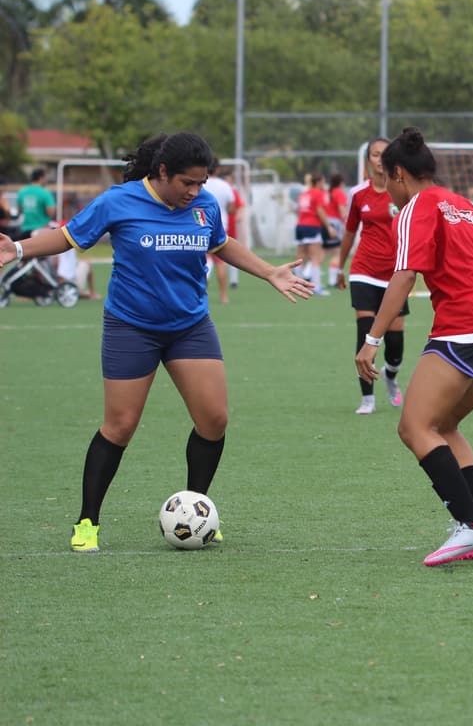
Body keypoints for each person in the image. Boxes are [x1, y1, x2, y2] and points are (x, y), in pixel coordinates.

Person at [0, 132, 314, 552]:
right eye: (187, 182)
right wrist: (17, 249)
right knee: (120, 426)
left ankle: (196, 509)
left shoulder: (203, 204)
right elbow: (69, 236)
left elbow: (222, 244)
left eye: (201, 182)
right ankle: (87, 522)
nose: (194, 191)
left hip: (190, 326)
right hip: (132, 327)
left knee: (214, 420)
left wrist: (269, 271)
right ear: (162, 172)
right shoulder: (119, 201)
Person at [355, 126, 473, 567]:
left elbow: (405, 277)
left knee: (413, 428)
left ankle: (471, 526)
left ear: (398, 175)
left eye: (387, 180)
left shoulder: (414, 208)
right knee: (443, 425)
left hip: (465, 331)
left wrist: (371, 339)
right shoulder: (464, 206)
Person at [333, 138, 407, 415]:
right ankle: (367, 398)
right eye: (375, 154)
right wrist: (339, 267)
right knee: (365, 334)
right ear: (368, 160)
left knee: (395, 341)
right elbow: (350, 232)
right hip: (363, 271)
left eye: (384, 154)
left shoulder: (402, 191)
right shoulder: (358, 193)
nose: (379, 159)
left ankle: (391, 374)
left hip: (396, 274)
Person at [203, 160, 239, 304]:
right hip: (220, 225)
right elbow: (232, 208)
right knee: (220, 261)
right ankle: (223, 295)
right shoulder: (225, 186)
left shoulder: (201, 184)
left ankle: (200, 291)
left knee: (200, 260)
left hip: (200, 224)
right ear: (217, 170)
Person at [295, 172, 331, 295]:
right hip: (312, 226)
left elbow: (298, 210)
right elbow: (320, 210)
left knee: (301, 258)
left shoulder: (304, 194)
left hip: (300, 226)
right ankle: (316, 288)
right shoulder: (318, 193)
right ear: (319, 182)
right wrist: (329, 227)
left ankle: (297, 286)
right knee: (316, 257)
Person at [322, 172, 348, 286]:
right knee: (337, 252)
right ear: (341, 183)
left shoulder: (327, 192)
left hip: (325, 222)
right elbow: (342, 210)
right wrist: (348, 222)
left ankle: (307, 272)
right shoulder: (339, 193)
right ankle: (332, 280)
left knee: (324, 251)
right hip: (335, 224)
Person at [16, 168, 56, 240]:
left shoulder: (22, 191)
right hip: (40, 231)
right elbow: (51, 213)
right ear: (41, 178)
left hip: (25, 230)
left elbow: (20, 211)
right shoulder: (45, 192)